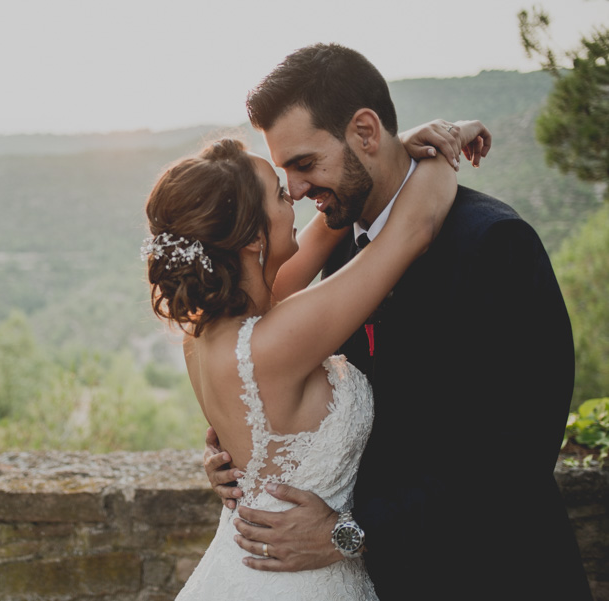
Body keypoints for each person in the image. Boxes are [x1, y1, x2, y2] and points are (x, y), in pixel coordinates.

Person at [203, 43, 593, 601]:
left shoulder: (494, 244)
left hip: (494, 575)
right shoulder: (339, 253)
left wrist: (351, 533)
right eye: (284, 171)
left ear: (365, 131)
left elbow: (516, 454)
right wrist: (242, 453)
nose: (293, 188)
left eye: (304, 164)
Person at [143, 109, 487, 598]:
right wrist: (447, 140)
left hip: (244, 568)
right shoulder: (275, 341)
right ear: (254, 236)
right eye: (281, 195)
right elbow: (415, 227)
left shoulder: (208, 330)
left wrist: (390, 151)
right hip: (300, 581)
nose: (298, 198)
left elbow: (328, 226)